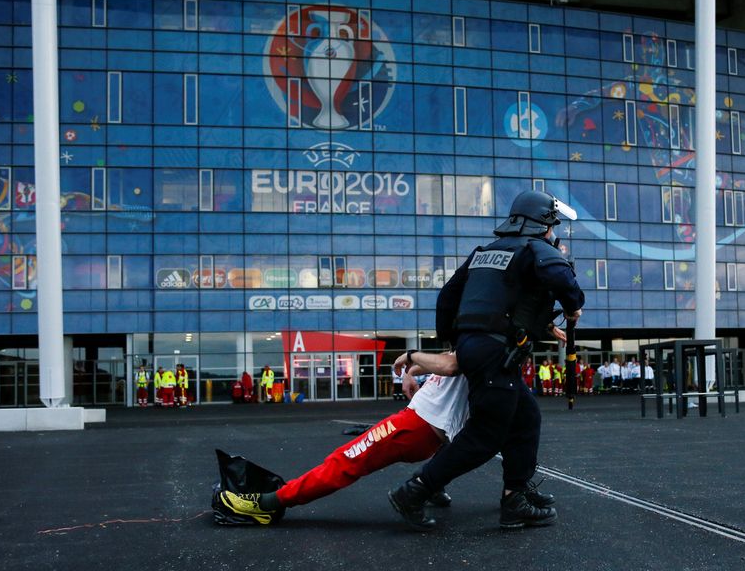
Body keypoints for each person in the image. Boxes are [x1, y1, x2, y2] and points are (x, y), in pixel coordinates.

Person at [389, 189, 584, 531]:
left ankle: (516, 495)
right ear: (542, 225)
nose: (554, 234)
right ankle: (415, 491)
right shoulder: (534, 248)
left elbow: (448, 297)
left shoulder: (484, 253)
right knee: (485, 435)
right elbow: (561, 275)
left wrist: (458, 341)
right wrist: (573, 305)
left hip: (479, 347)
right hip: (495, 353)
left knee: (526, 417)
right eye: (553, 227)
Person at [214, 350, 556, 525]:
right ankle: (435, 486)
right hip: (426, 430)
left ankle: (270, 503)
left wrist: (409, 359)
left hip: (415, 428)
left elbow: (451, 363)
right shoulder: (482, 343)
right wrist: (411, 371)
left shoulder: (481, 346)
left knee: (344, 462)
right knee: (468, 439)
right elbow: (443, 364)